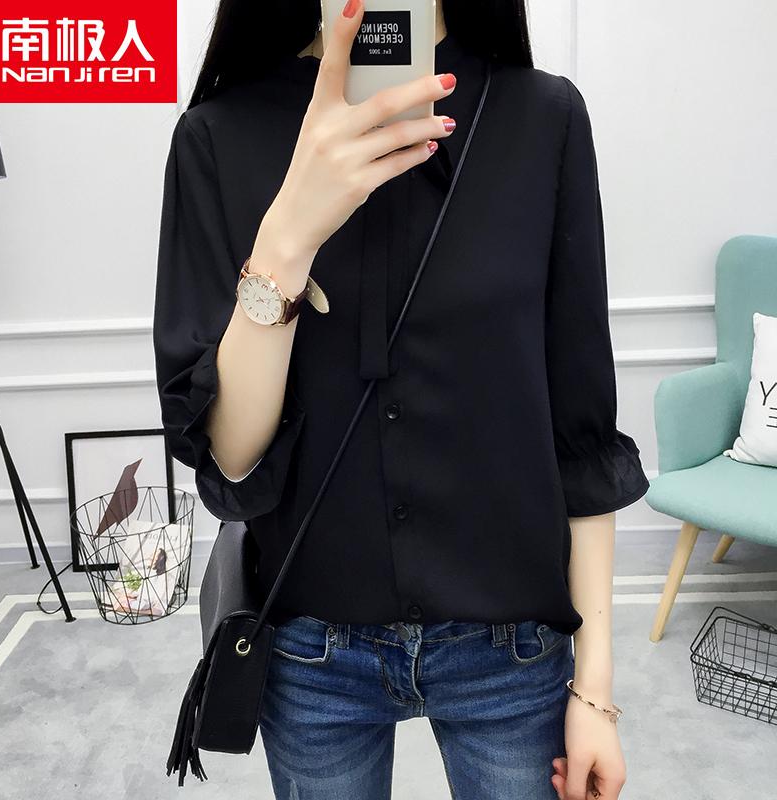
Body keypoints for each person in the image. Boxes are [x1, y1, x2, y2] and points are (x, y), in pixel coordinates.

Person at [153, 1, 649, 798]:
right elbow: (236, 459)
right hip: (311, 651)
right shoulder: (218, 136)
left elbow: (581, 433)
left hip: (511, 649)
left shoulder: (541, 119)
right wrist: (288, 234)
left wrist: (595, 692)